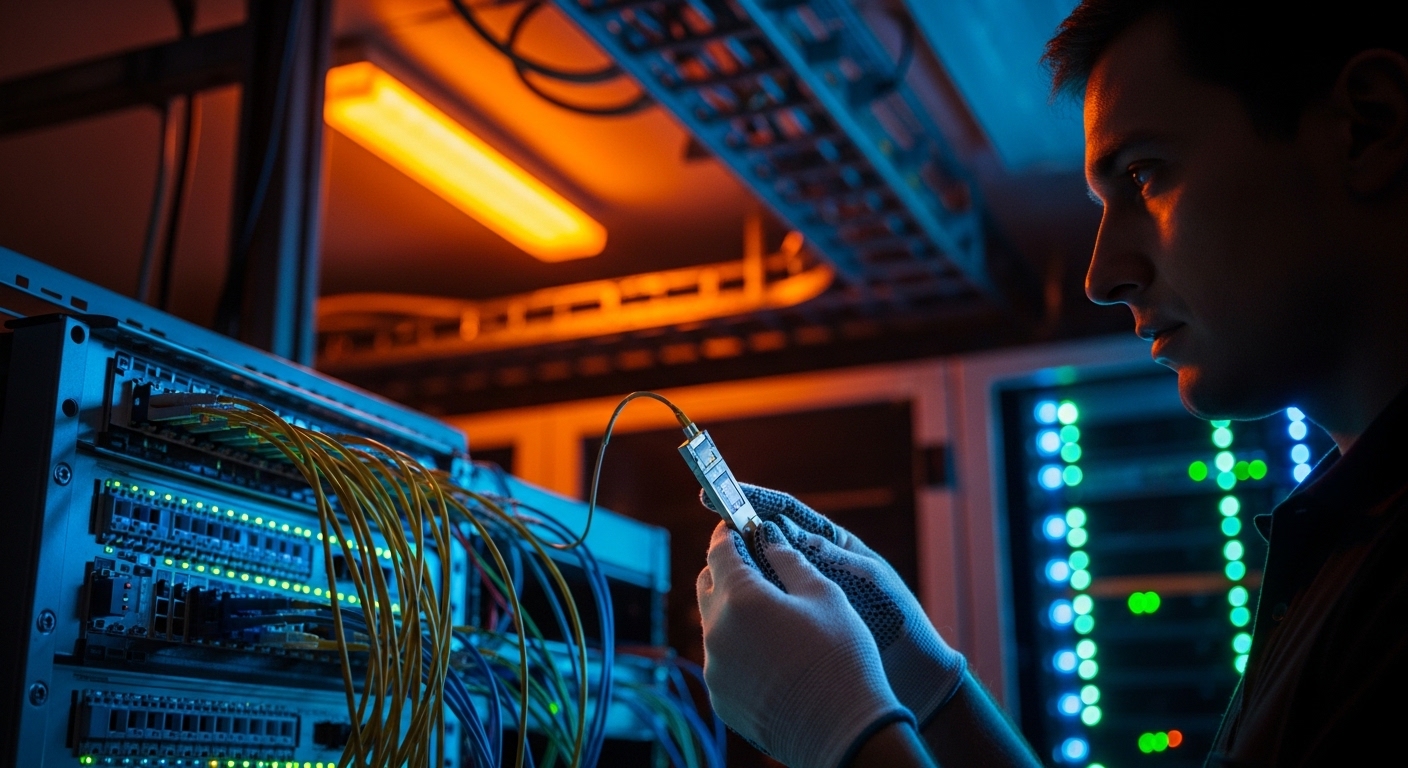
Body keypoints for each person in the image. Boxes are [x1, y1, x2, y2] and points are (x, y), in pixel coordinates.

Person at [693, 1, 1408, 765]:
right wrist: (926, 684)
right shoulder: (1348, 542)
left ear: (1365, 125)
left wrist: (840, 732)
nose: (1103, 276)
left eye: (1145, 174)